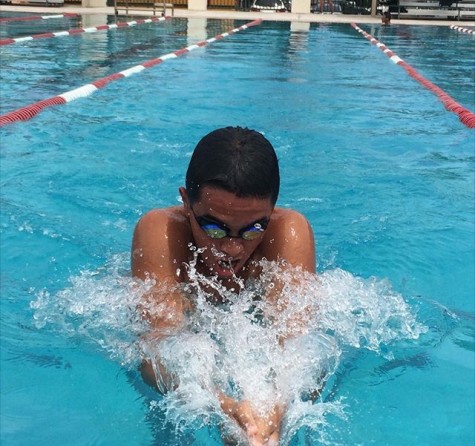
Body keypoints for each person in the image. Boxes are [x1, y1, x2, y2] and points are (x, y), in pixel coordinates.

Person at [131, 126, 316, 445]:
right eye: (214, 229)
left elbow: (299, 349)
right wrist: (220, 405)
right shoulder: (161, 233)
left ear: (272, 211)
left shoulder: (288, 234)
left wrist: (273, 412)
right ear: (186, 203)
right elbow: (157, 354)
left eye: (253, 229)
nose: (232, 248)